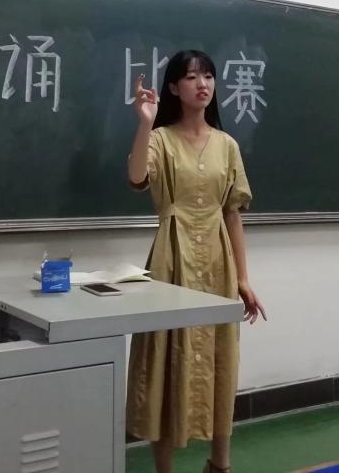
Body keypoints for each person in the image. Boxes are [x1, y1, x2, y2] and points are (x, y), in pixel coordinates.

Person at [127, 49, 267, 473]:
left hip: (218, 261)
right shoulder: (160, 139)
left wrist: (243, 277)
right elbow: (137, 176)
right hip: (171, 258)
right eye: (191, 77)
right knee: (165, 357)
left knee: (221, 355)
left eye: (208, 75)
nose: (202, 84)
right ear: (174, 87)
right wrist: (145, 122)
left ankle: (220, 465)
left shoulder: (227, 145)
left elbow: (233, 214)